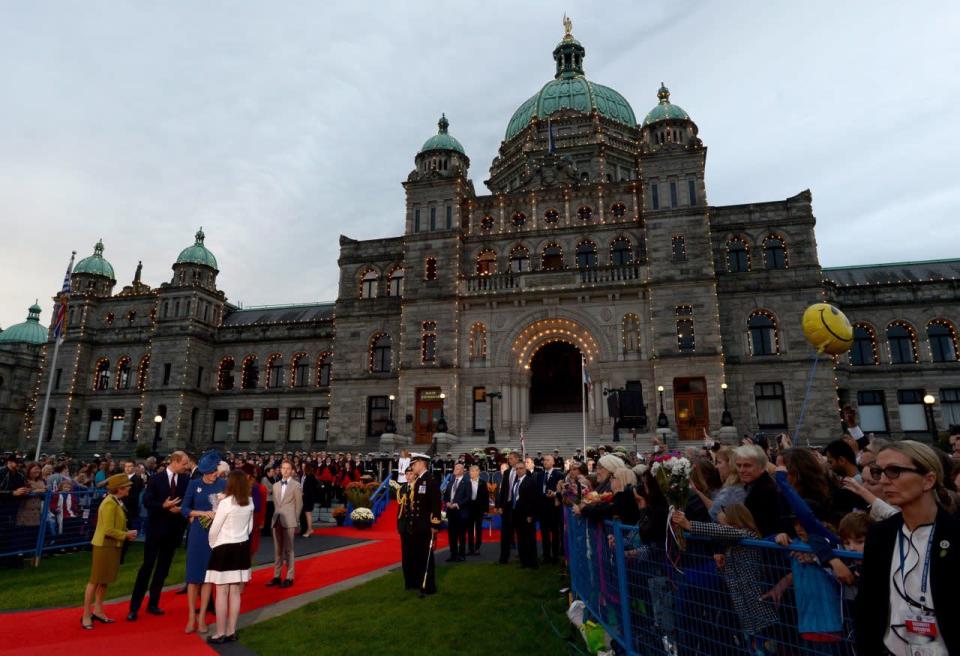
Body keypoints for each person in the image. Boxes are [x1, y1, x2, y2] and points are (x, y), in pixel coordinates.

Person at [855, 440, 959, 655]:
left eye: (894, 471)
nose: (883, 481)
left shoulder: (954, 534)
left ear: (928, 480)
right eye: (879, 472)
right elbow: (868, 605)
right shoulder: (880, 534)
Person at [127, 451, 189, 621]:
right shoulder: (157, 479)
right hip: (156, 530)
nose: (186, 467)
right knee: (147, 568)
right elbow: (147, 501)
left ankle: (153, 603)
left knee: (163, 569)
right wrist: (164, 505)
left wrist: (181, 509)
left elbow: (187, 502)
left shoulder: (185, 480)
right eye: (184, 463)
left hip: (173, 531)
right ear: (175, 461)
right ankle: (134, 607)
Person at [82, 474, 138, 629]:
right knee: (95, 580)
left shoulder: (116, 501)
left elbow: (116, 524)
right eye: (127, 486)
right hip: (104, 545)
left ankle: (98, 611)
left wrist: (126, 532)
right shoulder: (109, 503)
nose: (129, 488)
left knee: (104, 580)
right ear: (120, 488)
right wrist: (126, 535)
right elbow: (107, 529)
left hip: (112, 545)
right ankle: (86, 615)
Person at [205, 470, 254, 645]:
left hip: (224, 548)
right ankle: (231, 631)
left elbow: (214, 529)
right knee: (235, 592)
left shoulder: (226, 503)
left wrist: (213, 545)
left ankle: (220, 633)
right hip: (241, 548)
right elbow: (249, 529)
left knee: (222, 592)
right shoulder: (249, 502)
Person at [181, 450, 226, 634]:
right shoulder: (193, 485)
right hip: (198, 533)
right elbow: (184, 508)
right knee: (193, 578)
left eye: (216, 471)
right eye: (212, 472)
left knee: (208, 577)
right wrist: (199, 514)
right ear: (204, 472)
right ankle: (191, 616)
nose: (215, 474)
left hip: (215, 535)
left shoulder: (224, 484)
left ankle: (202, 619)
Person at [406, 453, 441, 594]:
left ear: (422, 463)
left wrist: (435, 525)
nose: (412, 467)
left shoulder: (430, 480)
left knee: (427, 557)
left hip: (426, 526)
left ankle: (429, 586)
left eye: (414, 464)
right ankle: (420, 582)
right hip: (417, 525)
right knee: (419, 556)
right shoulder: (419, 481)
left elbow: (436, 505)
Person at [268, 460, 302, 588]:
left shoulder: (296, 485)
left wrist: (296, 520)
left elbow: (299, 505)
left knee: (289, 550)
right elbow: (277, 505)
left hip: (289, 521)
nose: (286, 470)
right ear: (280, 470)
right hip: (277, 520)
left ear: (292, 470)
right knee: (277, 550)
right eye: (283, 468)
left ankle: (289, 577)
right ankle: (276, 576)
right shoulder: (276, 485)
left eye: (288, 468)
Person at [511, 461, 539, 569]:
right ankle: (524, 562)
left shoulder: (529, 481)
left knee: (529, 540)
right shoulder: (516, 481)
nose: (518, 470)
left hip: (527, 516)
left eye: (521, 468)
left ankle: (532, 563)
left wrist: (530, 515)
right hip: (517, 515)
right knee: (521, 539)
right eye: (517, 469)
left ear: (525, 469)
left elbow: (532, 500)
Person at [495, 451, 521, 564]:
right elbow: (503, 491)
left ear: (516, 459)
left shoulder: (522, 472)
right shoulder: (506, 472)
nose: (509, 460)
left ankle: (522, 556)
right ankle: (503, 558)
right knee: (505, 533)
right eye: (508, 458)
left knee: (520, 532)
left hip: (518, 507)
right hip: (507, 507)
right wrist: (500, 505)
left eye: (510, 458)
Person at [537, 455, 564, 563]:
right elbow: (538, 490)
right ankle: (546, 556)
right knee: (544, 533)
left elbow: (562, 491)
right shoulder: (539, 475)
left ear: (553, 462)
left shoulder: (559, 474)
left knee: (555, 533)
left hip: (554, 508)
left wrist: (555, 494)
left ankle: (555, 556)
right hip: (543, 508)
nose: (545, 462)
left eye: (548, 460)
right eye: (544, 460)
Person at [443, 463, 470, 562]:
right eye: (455, 468)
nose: (455, 470)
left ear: (462, 471)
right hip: (451, 512)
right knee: (452, 534)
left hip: (461, 512)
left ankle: (462, 555)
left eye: (457, 469)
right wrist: (447, 503)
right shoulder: (451, 481)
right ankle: (453, 554)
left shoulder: (467, 482)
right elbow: (446, 495)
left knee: (461, 535)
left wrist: (457, 504)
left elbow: (468, 497)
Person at [120, 459, 143, 563]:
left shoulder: (137, 479)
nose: (128, 468)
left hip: (129, 509)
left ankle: (122, 555)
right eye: (126, 466)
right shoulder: (121, 478)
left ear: (134, 467)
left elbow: (134, 495)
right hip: (120, 507)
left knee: (127, 530)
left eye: (130, 466)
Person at [397, 467, 416, 588]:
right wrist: (399, 526)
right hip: (404, 527)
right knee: (405, 555)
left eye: (411, 473)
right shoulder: (402, 489)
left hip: (414, 527)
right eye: (407, 474)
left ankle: (416, 580)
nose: (408, 476)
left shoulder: (419, 487)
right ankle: (408, 581)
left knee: (415, 554)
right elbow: (399, 510)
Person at [466, 464, 489, 556]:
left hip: (479, 509)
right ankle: (471, 549)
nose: (471, 473)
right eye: (470, 471)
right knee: (470, 529)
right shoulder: (466, 482)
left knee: (479, 529)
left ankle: (477, 548)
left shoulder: (483, 483)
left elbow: (485, 497)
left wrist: (485, 509)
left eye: (473, 471)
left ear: (477, 472)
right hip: (469, 508)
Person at [300, 463, 318, 538]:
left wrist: (304, 493)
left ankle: (309, 530)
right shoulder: (304, 475)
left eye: (304, 466)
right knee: (307, 514)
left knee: (308, 514)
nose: (302, 467)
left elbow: (311, 487)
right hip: (305, 497)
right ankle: (309, 529)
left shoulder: (310, 476)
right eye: (302, 466)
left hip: (308, 498)